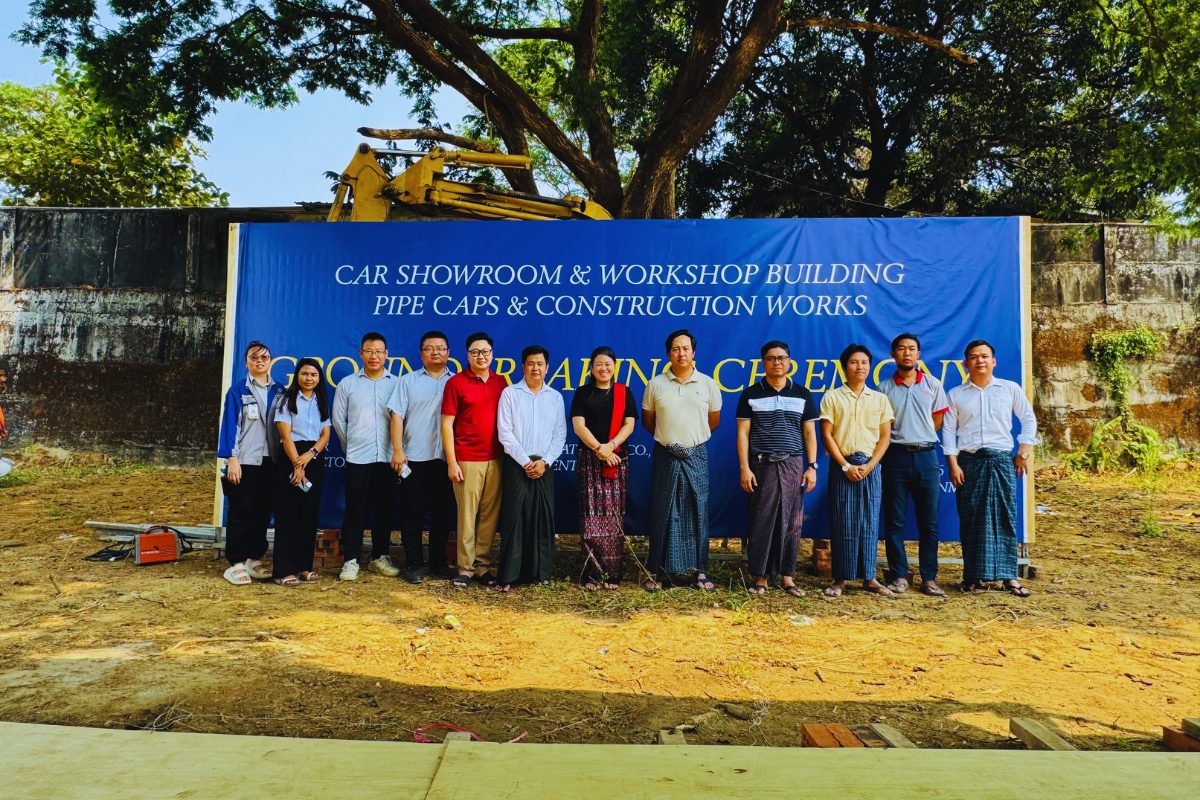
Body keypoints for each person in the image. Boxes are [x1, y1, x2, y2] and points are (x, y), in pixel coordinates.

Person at [943, 339, 1037, 597]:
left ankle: (1009, 577)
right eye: (974, 357)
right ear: (965, 363)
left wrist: (1024, 451)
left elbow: (1028, 419)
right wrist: (953, 463)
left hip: (1002, 460)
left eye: (984, 356)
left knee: (1005, 516)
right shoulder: (956, 394)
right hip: (969, 461)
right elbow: (948, 431)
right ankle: (972, 576)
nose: (980, 361)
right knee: (971, 518)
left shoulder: (1009, 389)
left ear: (993, 361)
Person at [641, 329, 722, 592]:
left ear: (693, 352)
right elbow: (649, 421)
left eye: (686, 348)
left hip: (696, 454)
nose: (681, 353)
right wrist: (671, 442)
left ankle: (700, 571)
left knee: (698, 510)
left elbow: (713, 421)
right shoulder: (655, 384)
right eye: (676, 349)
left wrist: (690, 442)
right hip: (666, 454)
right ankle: (656, 570)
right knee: (662, 511)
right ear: (668, 353)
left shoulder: (708, 384)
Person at [736, 340, 818, 597]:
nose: (777, 363)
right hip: (761, 465)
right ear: (763, 363)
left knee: (792, 522)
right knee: (762, 519)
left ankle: (787, 576)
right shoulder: (751, 393)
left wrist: (812, 466)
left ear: (789, 361)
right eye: (771, 358)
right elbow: (742, 433)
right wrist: (744, 468)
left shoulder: (802, 393)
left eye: (782, 358)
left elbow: (809, 433)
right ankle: (760, 577)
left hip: (793, 463)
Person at [820, 344, 895, 597]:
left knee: (869, 522)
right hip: (842, 466)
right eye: (854, 362)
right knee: (842, 521)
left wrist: (870, 465)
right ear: (845, 366)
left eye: (864, 362)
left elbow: (885, 437)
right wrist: (845, 465)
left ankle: (869, 578)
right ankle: (840, 579)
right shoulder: (832, 397)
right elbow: (827, 435)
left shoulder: (880, 399)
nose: (859, 367)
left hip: (870, 467)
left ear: (869, 366)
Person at [879, 333, 950, 596]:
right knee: (894, 521)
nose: (907, 353)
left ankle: (929, 578)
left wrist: (920, 435)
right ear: (893, 355)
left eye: (912, 349)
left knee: (928, 522)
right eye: (901, 349)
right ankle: (899, 575)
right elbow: (882, 426)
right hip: (895, 457)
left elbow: (938, 420)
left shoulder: (933, 384)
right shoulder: (883, 389)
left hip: (926, 457)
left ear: (918, 355)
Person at [494, 345, 567, 591]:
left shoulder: (555, 397)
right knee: (514, 518)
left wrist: (544, 462)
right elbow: (505, 433)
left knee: (542, 519)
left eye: (540, 364)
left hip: (544, 465)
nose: (535, 368)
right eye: (531, 363)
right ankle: (509, 576)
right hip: (517, 464)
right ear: (523, 366)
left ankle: (539, 572)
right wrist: (526, 462)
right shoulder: (510, 393)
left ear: (547, 368)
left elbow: (560, 435)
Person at [387, 330, 457, 583]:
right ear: (421, 353)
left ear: (448, 352)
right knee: (412, 515)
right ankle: (414, 564)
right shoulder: (408, 381)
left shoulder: (457, 381)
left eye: (440, 348)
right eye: (429, 348)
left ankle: (438, 564)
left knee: (442, 516)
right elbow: (396, 416)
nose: (435, 352)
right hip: (414, 458)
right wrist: (397, 450)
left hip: (446, 459)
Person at [441, 332, 508, 590]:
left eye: (485, 351)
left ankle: (483, 566)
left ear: (492, 354)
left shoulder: (501, 382)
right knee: (467, 516)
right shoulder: (456, 383)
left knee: (489, 516)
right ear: (467, 355)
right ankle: (465, 568)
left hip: (497, 459)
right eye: (475, 352)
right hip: (467, 459)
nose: (481, 356)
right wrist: (452, 461)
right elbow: (447, 424)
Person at [332, 332, 400, 581]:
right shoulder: (348, 384)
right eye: (369, 351)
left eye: (379, 351)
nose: (374, 356)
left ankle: (380, 556)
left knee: (384, 509)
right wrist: (352, 446)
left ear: (386, 354)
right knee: (355, 510)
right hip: (358, 457)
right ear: (360, 353)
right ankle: (351, 560)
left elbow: (402, 420)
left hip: (388, 457)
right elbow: (339, 421)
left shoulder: (397, 384)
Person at [216, 341, 285, 585]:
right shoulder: (238, 391)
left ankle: (253, 558)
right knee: (241, 512)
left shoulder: (280, 390)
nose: (259, 361)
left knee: (262, 513)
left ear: (270, 361)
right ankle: (235, 562)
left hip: (271, 462)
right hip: (245, 461)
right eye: (254, 358)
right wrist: (232, 459)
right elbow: (230, 427)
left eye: (264, 357)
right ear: (246, 362)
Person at [571, 346, 637, 590]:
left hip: (617, 459)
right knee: (590, 517)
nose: (603, 368)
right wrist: (600, 449)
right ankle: (591, 574)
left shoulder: (624, 392)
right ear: (591, 368)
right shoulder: (583, 393)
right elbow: (579, 426)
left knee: (613, 518)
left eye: (608, 364)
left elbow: (629, 425)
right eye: (598, 364)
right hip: (590, 459)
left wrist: (611, 446)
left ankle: (612, 573)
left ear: (614, 367)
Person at [272, 358, 332, 586]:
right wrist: (297, 465)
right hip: (291, 457)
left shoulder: (321, 401)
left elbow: (325, 435)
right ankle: (283, 570)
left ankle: (303, 566)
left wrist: (310, 455)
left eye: (314, 375)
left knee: (309, 514)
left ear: (319, 378)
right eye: (305, 374)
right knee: (288, 514)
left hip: (313, 458)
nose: (309, 378)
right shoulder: (286, 400)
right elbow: (285, 436)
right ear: (297, 375)